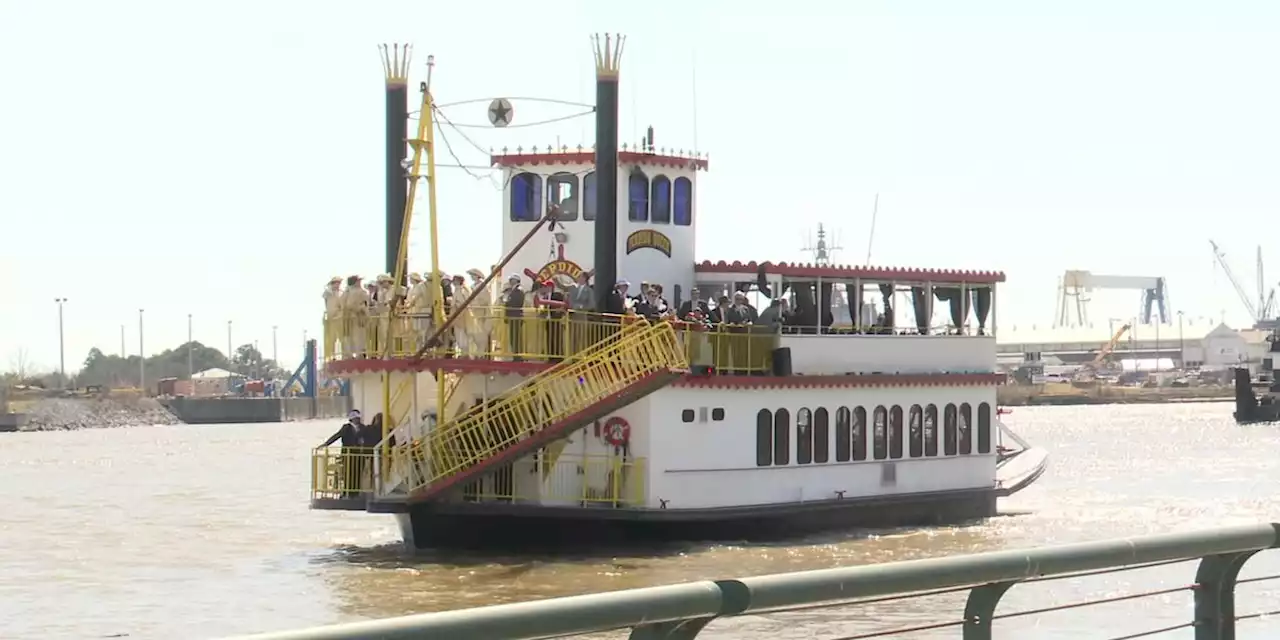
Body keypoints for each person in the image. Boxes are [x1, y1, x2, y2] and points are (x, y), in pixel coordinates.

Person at [321, 410, 365, 497]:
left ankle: (356, 492)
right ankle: (346, 491)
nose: (358, 420)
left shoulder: (363, 427)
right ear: (352, 419)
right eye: (356, 418)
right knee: (348, 473)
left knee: (358, 473)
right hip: (347, 455)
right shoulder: (346, 428)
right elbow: (336, 436)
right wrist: (326, 444)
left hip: (359, 455)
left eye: (358, 418)